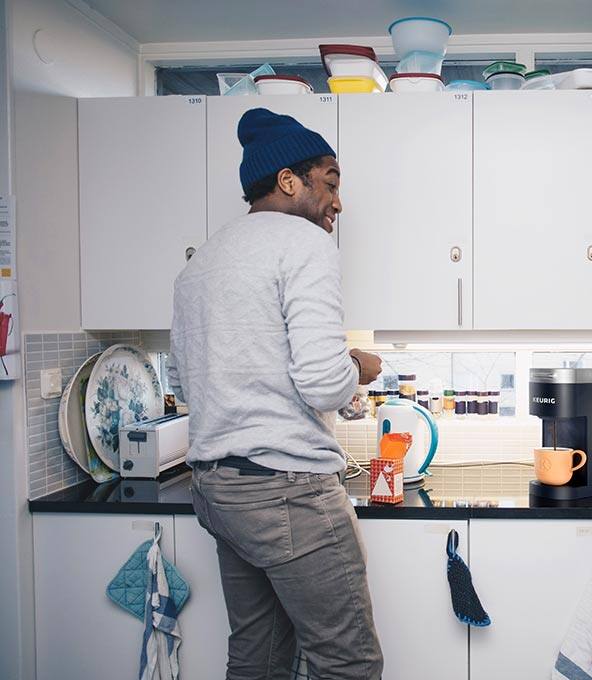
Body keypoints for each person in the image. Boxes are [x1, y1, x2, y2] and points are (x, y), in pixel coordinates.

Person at [167, 108, 384, 680]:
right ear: (290, 181)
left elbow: (191, 381)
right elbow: (321, 381)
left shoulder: (202, 262)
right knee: (349, 663)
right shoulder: (304, 243)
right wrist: (358, 366)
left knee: (258, 659)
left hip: (218, 490)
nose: (338, 203)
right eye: (330, 183)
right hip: (288, 494)